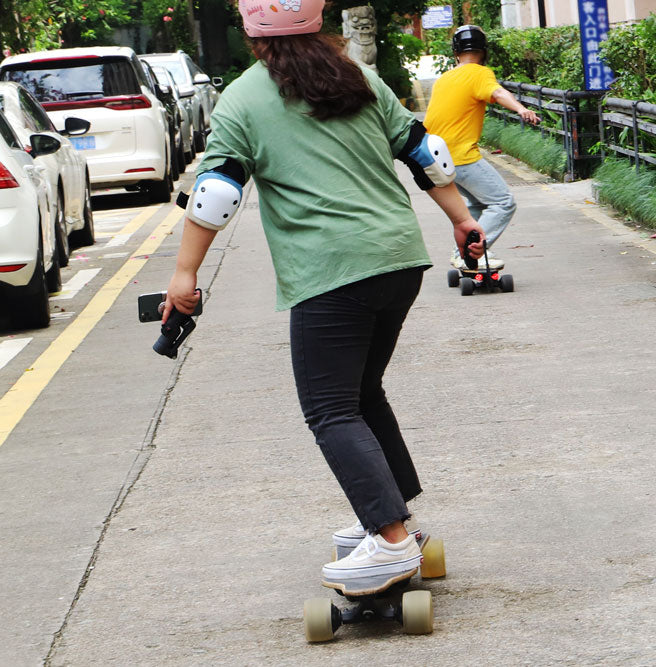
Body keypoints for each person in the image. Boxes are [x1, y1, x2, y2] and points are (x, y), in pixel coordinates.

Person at [162, 0, 485, 586]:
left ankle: (390, 543)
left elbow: (214, 193)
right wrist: (462, 220)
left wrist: (185, 275)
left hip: (331, 270)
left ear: (249, 28)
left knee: (331, 409)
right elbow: (425, 152)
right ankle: (397, 524)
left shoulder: (243, 98)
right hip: (398, 260)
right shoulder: (357, 76)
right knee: (361, 394)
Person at [423, 24, 539, 270]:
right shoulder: (479, 73)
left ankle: (460, 253)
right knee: (503, 202)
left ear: (456, 52)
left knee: (477, 204)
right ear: (483, 51)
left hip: (435, 156)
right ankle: (471, 253)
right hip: (461, 156)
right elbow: (497, 93)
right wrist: (521, 108)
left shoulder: (444, 79)